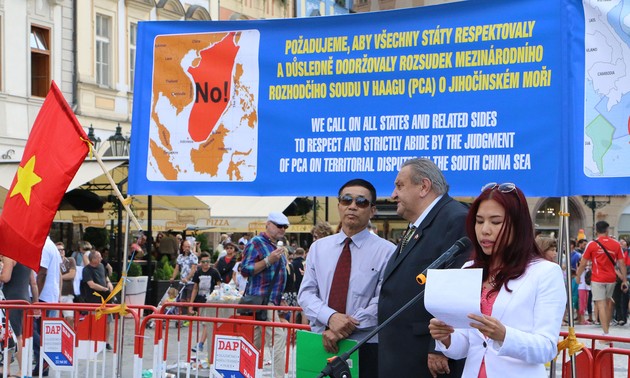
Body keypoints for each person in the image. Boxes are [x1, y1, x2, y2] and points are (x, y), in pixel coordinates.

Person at [429, 182, 567, 377]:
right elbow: (469, 344)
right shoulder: (469, 269)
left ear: (518, 226)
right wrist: (446, 337)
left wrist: (505, 336)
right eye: (479, 221)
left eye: (495, 222)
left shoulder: (545, 273)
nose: (485, 230)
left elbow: (546, 347)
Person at [377, 158, 470, 377]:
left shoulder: (455, 219)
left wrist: (438, 346)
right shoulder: (418, 225)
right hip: (402, 352)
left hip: (425, 358)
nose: (393, 195)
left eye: (400, 186)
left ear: (424, 187)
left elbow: (456, 288)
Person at [298, 179, 395, 377]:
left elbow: (384, 301)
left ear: (372, 210)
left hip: (364, 345)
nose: (352, 206)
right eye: (346, 200)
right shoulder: (318, 248)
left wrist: (342, 328)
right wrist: (330, 317)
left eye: (361, 202)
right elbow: (306, 294)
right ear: (339, 205)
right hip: (320, 341)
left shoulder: (388, 252)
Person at [240, 212, 289, 378]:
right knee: (279, 336)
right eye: (278, 225)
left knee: (255, 341)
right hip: (260, 300)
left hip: (269, 301)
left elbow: (276, 277)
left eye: (285, 227)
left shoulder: (275, 246)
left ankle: (245, 372)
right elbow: (245, 270)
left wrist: (280, 299)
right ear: (268, 224)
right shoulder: (256, 242)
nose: (282, 229)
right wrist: (268, 260)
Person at [576, 221, 628, 336]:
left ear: (596, 230)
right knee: (608, 302)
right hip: (611, 278)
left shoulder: (592, 244)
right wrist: (624, 280)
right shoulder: (616, 244)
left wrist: (578, 275)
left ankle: (606, 333)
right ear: (607, 230)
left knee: (601, 304)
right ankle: (607, 329)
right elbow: (622, 263)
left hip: (597, 278)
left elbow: (583, 263)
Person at [0, 256, 36, 377]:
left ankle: (21, 370)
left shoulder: (10, 257)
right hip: (24, 298)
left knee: (14, 335)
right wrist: (35, 303)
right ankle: (8, 368)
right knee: (14, 335)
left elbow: (5, 277)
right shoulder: (26, 259)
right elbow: (33, 283)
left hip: (11, 299)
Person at [189, 252, 222, 353]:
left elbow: (219, 286)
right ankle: (203, 344)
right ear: (200, 263)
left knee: (207, 323)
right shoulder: (198, 272)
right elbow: (195, 288)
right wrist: (191, 304)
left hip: (211, 300)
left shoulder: (214, 272)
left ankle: (201, 343)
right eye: (203, 262)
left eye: (208, 261)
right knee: (205, 324)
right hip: (201, 300)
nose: (206, 264)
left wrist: (217, 298)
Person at [170, 240, 198, 312]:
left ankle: (188, 317)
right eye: (186, 247)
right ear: (183, 247)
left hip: (190, 282)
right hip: (182, 282)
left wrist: (187, 278)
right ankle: (180, 317)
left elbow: (193, 269)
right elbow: (177, 268)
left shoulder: (193, 257)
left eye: (189, 247)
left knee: (189, 299)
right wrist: (173, 277)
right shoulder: (180, 257)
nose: (187, 248)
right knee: (181, 299)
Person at [58, 242, 77, 326]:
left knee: (70, 318)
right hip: (56, 295)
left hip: (67, 294)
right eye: (59, 250)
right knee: (55, 319)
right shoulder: (53, 262)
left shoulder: (70, 260)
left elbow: (72, 274)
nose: (61, 251)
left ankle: (70, 338)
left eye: (62, 249)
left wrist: (59, 277)